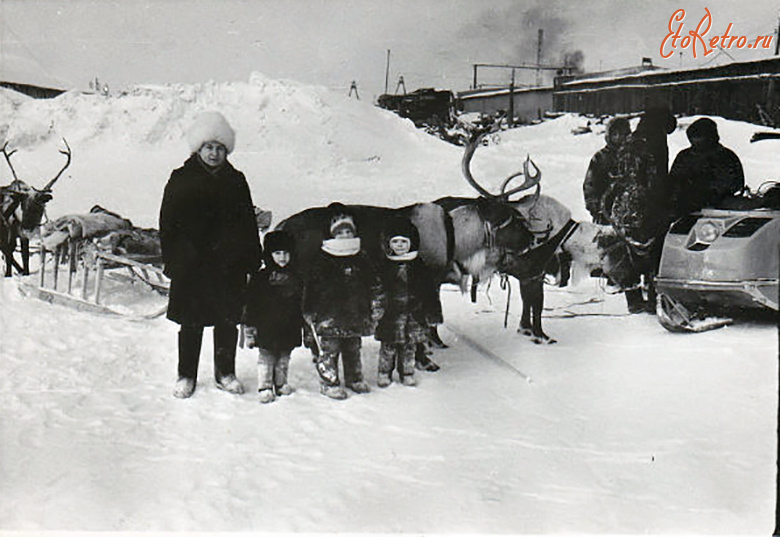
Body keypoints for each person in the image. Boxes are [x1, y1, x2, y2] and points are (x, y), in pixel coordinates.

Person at [159, 111, 262, 399]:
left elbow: (247, 222)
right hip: (191, 265)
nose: (214, 153)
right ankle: (186, 375)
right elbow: (167, 222)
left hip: (228, 265)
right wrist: (176, 259)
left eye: (219, 148)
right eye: (208, 147)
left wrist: (251, 258)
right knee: (191, 323)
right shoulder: (181, 178)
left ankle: (225, 373)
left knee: (227, 321)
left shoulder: (236, 180)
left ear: (226, 151)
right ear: (198, 148)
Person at [302, 204, 383, 400]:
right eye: (340, 233)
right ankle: (329, 382)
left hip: (355, 313)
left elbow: (374, 284)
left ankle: (354, 378)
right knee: (329, 351)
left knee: (353, 349)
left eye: (348, 231)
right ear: (332, 235)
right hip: (328, 316)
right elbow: (311, 287)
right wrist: (308, 310)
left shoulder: (361, 256)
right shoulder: (322, 258)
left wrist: (376, 305)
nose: (345, 236)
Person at [603, 114, 667, 314]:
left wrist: (609, 206)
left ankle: (633, 299)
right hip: (643, 207)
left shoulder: (625, 147)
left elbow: (616, 180)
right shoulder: (648, 148)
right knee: (654, 252)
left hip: (623, 207)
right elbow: (653, 182)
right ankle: (653, 299)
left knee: (626, 252)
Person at [374, 217, 440, 388]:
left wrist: (433, 312)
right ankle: (384, 373)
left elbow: (429, 291)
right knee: (388, 347)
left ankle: (407, 373)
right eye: (395, 241)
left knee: (409, 347)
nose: (400, 245)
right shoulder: (384, 265)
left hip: (413, 315)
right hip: (390, 315)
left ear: (411, 243)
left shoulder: (418, 265)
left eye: (404, 241)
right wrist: (376, 308)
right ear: (389, 244)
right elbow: (376, 289)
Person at [242, 230, 303, 403]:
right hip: (267, 325)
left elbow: (301, 302)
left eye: (286, 253)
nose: (282, 257)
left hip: (289, 325)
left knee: (284, 356)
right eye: (277, 253)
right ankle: (265, 386)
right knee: (267, 357)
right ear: (269, 254)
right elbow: (251, 302)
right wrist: (250, 326)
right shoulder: (261, 277)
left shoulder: (297, 277)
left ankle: (281, 383)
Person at [668, 117, 745, 218]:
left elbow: (734, 184)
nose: (696, 141)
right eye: (694, 138)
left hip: (717, 209)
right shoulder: (685, 156)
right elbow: (673, 181)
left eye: (699, 137)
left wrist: (708, 194)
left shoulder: (725, 156)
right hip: (683, 207)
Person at [583, 116, 631, 225]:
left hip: (629, 214)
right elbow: (590, 185)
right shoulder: (601, 158)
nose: (619, 138)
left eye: (623, 134)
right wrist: (596, 209)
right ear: (609, 136)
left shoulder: (634, 156)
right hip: (605, 213)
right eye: (615, 134)